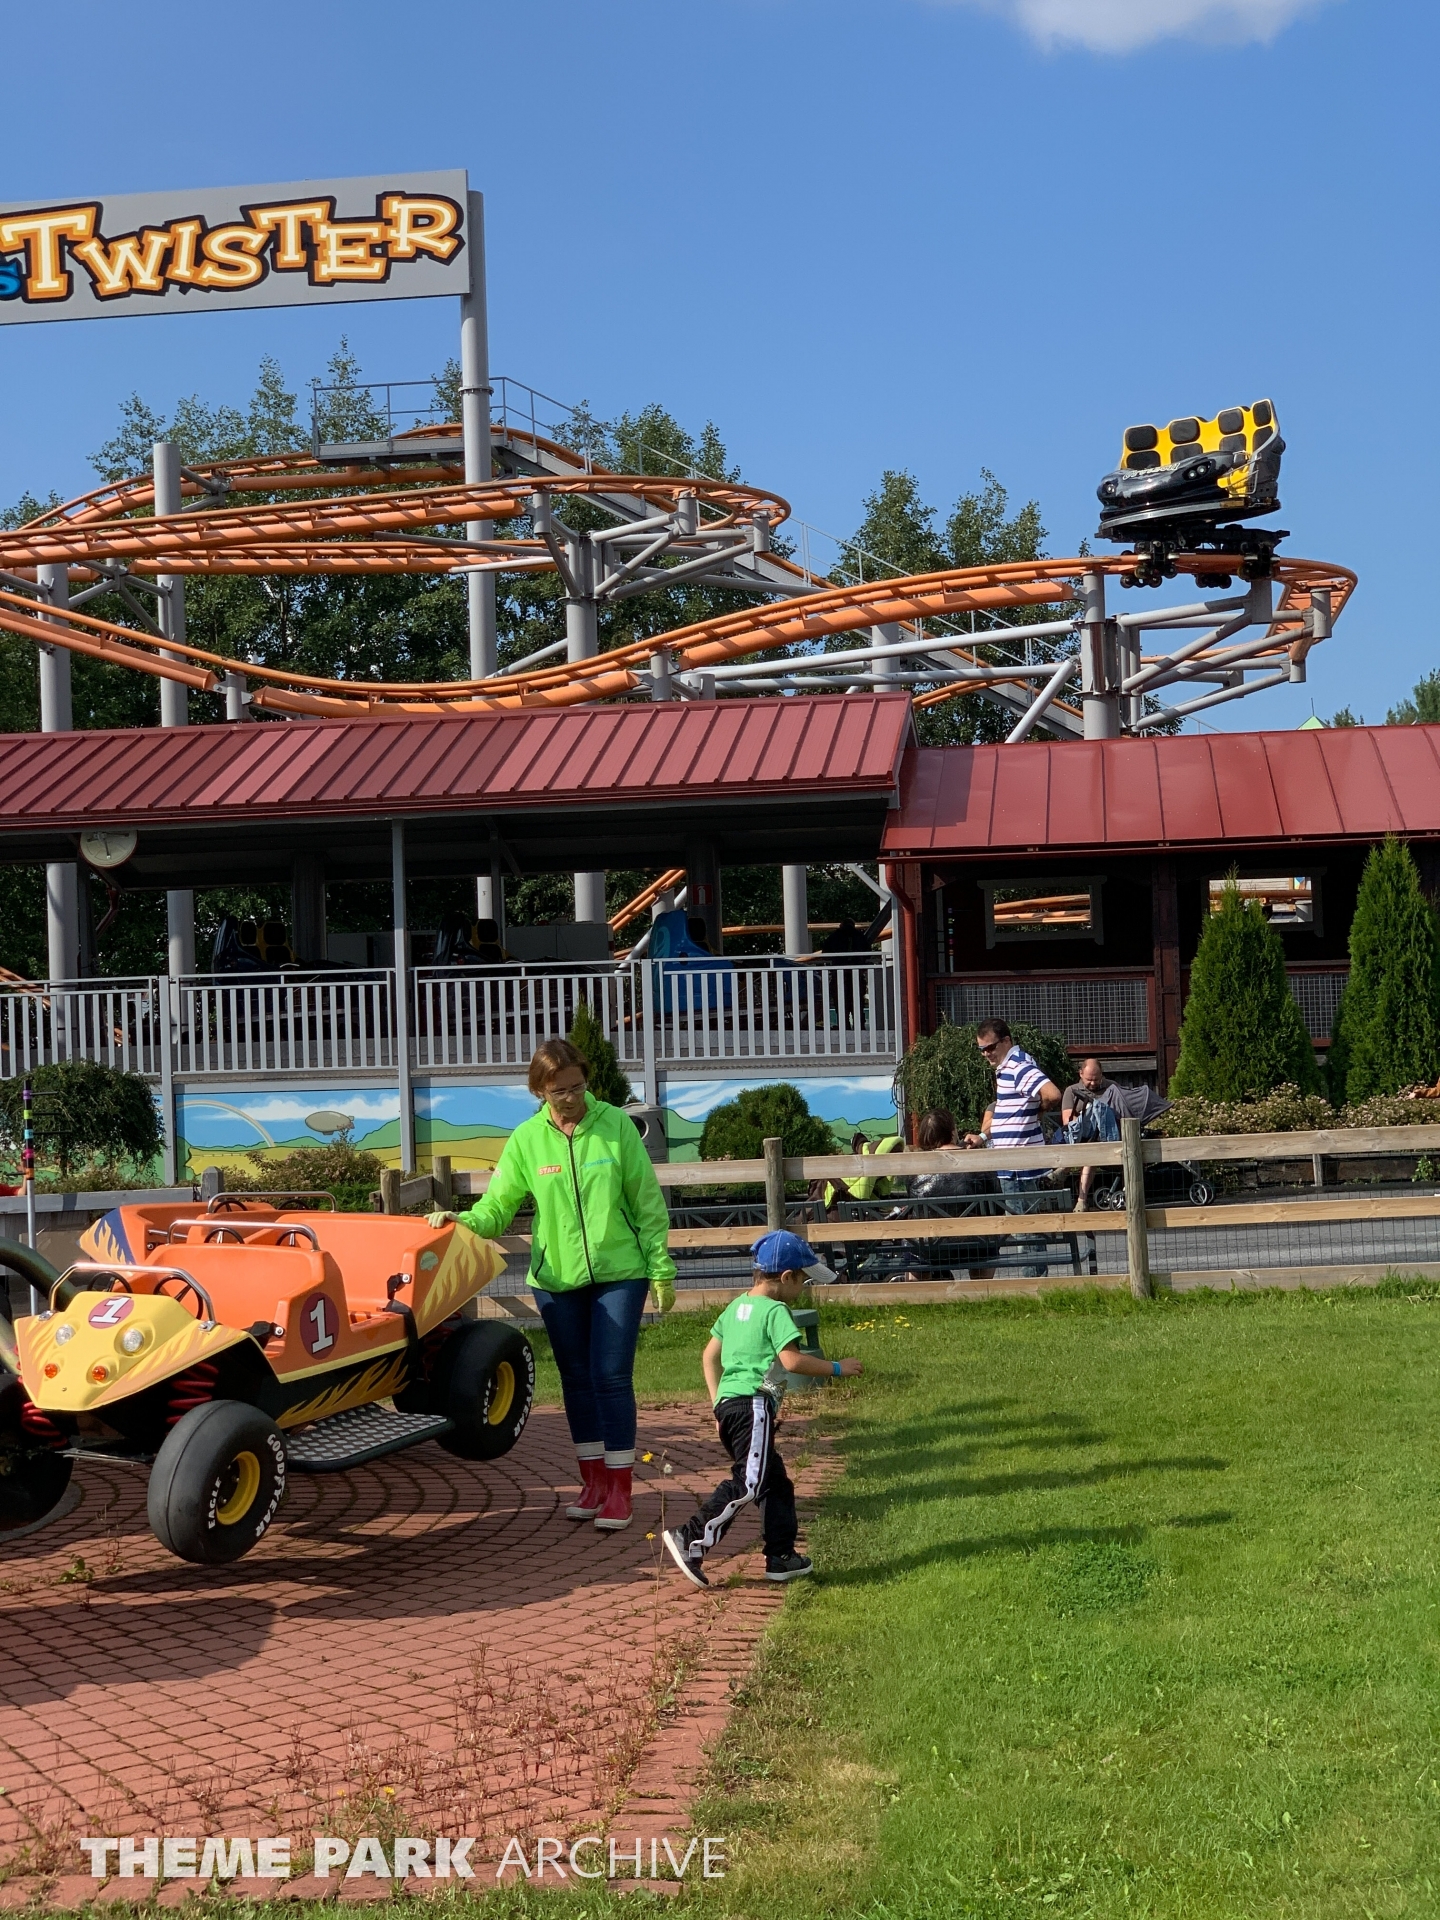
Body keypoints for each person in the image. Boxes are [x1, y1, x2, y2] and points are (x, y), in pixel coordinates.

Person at [428, 1037, 676, 1532]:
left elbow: (647, 1202)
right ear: (539, 1091)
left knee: (611, 1377)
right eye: (559, 1091)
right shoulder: (526, 1139)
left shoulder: (616, 1127)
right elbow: (499, 1206)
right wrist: (463, 1221)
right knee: (576, 1381)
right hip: (555, 1280)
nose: (571, 1098)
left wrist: (660, 1267)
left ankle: (620, 1489)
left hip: (620, 1273)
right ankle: (594, 1483)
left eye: (578, 1087)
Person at [662, 1231, 862, 1589]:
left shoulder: (736, 1307)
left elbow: (709, 1356)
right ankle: (690, 1537)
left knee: (775, 1484)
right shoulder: (776, 1311)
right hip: (752, 1404)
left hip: (730, 1405)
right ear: (785, 1277)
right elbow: (792, 1361)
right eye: (803, 1280)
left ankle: (781, 1557)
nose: (803, 1289)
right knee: (749, 1482)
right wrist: (837, 1368)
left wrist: (717, 1404)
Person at [964, 1017, 1062, 1277]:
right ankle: (1035, 1282)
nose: (986, 1054)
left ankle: (1033, 1285)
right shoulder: (1009, 1067)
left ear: (1006, 1041)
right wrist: (982, 1137)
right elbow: (1009, 1116)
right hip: (1013, 1164)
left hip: (1018, 1167)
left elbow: (1052, 1094)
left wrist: (1039, 1111)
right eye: (981, 1049)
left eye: (990, 1047)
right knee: (1025, 1229)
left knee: (1024, 1231)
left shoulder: (1017, 1066)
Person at [898, 1107, 1000, 1281]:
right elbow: (997, 1208)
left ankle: (917, 1289)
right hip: (976, 1246)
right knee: (987, 1239)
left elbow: (913, 1209)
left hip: (928, 1249)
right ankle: (982, 1289)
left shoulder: (916, 1168)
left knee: (915, 1245)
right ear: (952, 1132)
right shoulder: (979, 1162)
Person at [1061, 1058, 1118, 1211]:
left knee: (1092, 1150)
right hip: (1079, 1136)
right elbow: (1067, 1120)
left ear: (1102, 1075)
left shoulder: (1112, 1088)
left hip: (1105, 1139)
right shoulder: (1071, 1091)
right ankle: (1081, 1200)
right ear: (1080, 1074)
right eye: (1089, 1079)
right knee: (1089, 1149)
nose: (1093, 1083)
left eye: (1096, 1079)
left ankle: (1065, 1171)